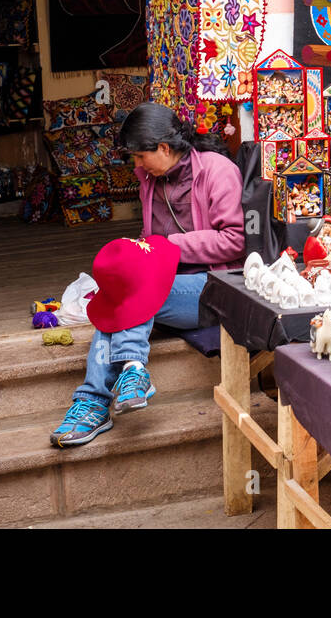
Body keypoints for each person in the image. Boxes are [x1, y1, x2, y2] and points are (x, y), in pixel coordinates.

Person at [51, 103, 245, 447]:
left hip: (213, 287)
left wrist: (166, 246)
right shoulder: (151, 179)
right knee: (117, 293)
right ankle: (117, 385)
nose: (136, 165)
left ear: (165, 148)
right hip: (164, 285)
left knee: (128, 295)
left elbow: (233, 240)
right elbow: (151, 236)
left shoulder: (218, 171)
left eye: (140, 157)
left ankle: (102, 396)